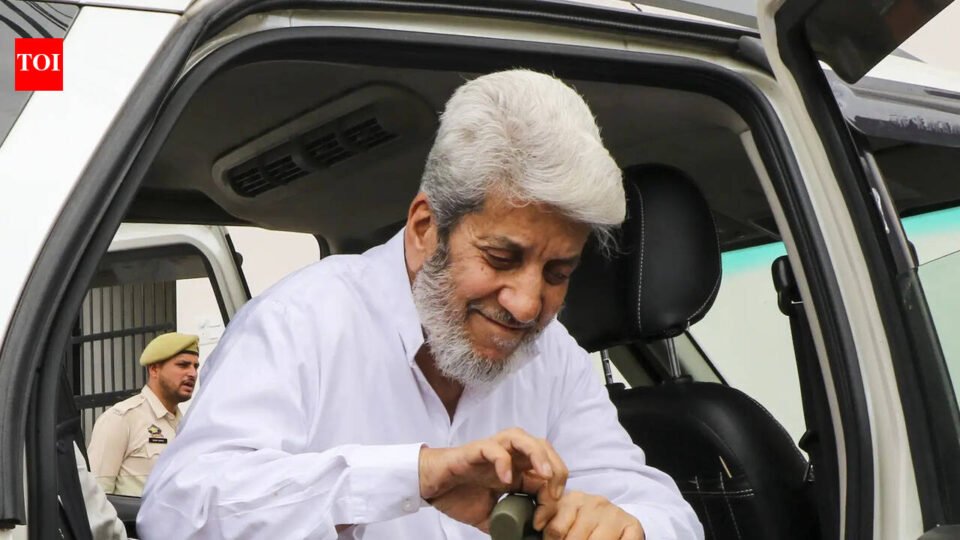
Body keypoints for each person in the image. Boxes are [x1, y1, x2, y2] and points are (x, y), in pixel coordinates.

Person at [138, 70, 703, 539]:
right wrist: (416, 475)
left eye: (558, 273)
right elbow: (178, 512)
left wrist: (629, 527)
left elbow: (668, 514)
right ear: (425, 228)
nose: (527, 305)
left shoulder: (556, 359)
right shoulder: (301, 322)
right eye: (501, 258)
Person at [87, 332, 200, 496]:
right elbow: (95, 495)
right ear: (154, 370)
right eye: (183, 365)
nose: (193, 373)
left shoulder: (186, 426)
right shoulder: (122, 418)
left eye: (195, 366)